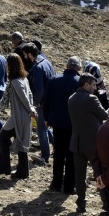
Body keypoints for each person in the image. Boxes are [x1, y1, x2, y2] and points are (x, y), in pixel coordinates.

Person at [67, 72, 107, 214]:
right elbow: (105, 115)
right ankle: (106, 204)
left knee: (79, 176)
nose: (95, 88)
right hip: (92, 144)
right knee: (99, 174)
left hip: (77, 143)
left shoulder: (71, 98)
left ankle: (81, 204)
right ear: (86, 84)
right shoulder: (91, 99)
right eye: (93, 85)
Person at [46, 57, 82, 194]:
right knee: (72, 156)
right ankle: (69, 186)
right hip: (75, 126)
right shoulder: (81, 83)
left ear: (66, 65)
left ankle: (56, 183)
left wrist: (47, 118)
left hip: (58, 124)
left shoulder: (54, 79)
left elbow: (46, 100)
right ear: (79, 68)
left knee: (59, 154)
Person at [0, 53, 33, 178]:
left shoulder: (15, 82)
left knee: (2, 138)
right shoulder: (24, 79)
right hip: (23, 116)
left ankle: (5, 167)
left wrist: (31, 109)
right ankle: (22, 171)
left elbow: (24, 99)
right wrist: (31, 109)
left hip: (18, 117)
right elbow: (30, 96)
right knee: (21, 142)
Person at [21, 41, 55, 165]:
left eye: (25, 55)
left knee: (41, 130)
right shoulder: (47, 62)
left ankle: (45, 156)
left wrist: (34, 104)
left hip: (42, 103)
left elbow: (39, 89)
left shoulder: (37, 68)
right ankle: (56, 145)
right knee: (45, 126)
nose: (25, 57)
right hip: (50, 100)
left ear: (30, 55)